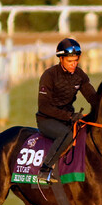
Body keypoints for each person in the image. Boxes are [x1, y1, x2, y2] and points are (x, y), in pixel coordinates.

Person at [35, 38, 97, 183]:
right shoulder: (49, 75)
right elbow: (44, 107)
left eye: (76, 61)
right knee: (66, 135)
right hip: (47, 119)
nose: (74, 64)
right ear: (61, 59)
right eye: (70, 61)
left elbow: (93, 97)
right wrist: (69, 116)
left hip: (68, 118)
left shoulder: (80, 75)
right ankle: (44, 170)